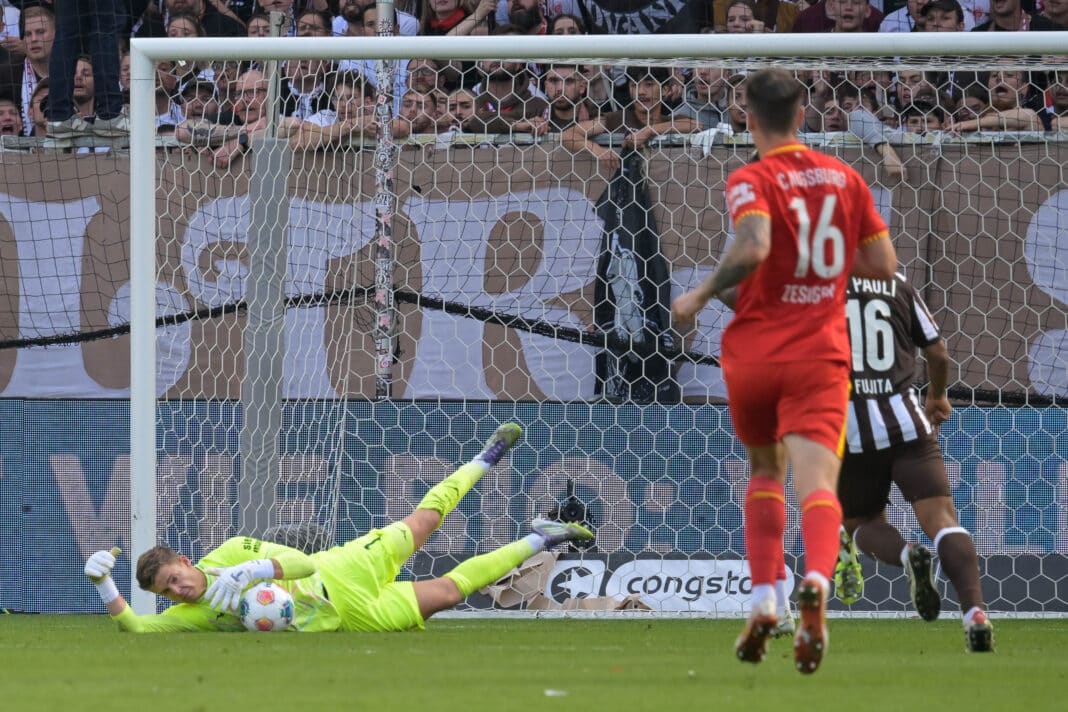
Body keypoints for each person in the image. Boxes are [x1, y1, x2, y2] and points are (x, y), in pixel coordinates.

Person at [671, 68, 897, 674]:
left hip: (754, 354)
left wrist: (699, 293)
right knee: (818, 485)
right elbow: (883, 265)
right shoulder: (846, 178)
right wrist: (824, 269)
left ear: (747, 116)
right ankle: (816, 583)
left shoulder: (751, 178)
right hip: (819, 353)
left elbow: (752, 248)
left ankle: (765, 602)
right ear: (802, 113)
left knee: (765, 473)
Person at [83, 423, 595, 632]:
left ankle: (486, 458)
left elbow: (303, 563)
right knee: (448, 593)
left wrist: (252, 570)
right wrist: (103, 582)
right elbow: (138, 629)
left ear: (185, 562)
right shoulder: (192, 616)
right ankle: (543, 536)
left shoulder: (234, 550)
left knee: (425, 521)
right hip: (352, 617)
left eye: (175, 578)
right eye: (167, 592)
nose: (178, 591)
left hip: (345, 568)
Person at [832, 275, 994, 653]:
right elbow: (938, 352)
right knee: (943, 521)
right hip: (908, 424)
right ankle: (975, 614)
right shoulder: (897, 284)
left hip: (852, 432)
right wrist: (937, 396)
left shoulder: (821, 286)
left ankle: (908, 555)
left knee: (861, 523)